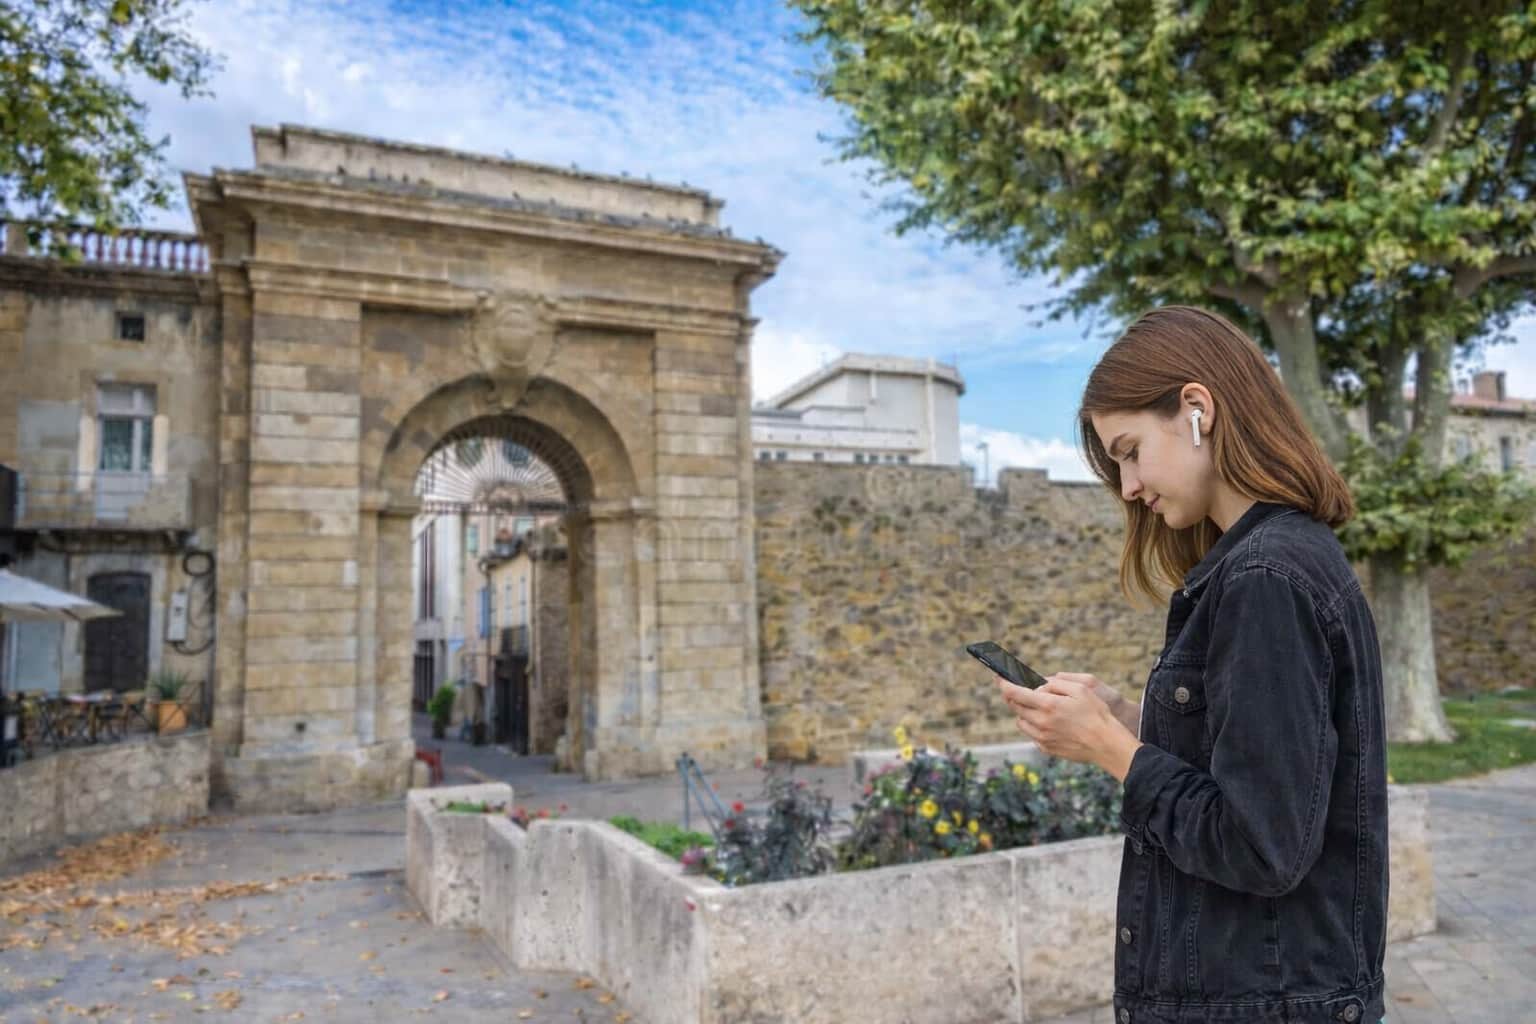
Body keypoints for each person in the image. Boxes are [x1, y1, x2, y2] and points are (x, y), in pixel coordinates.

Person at [998, 306, 1388, 1024]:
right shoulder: (1273, 562)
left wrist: (1116, 753)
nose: (1128, 486)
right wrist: (1134, 723)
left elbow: (1261, 846)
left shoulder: (1266, 577)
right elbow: (1266, 773)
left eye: (1130, 449)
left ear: (1197, 410)